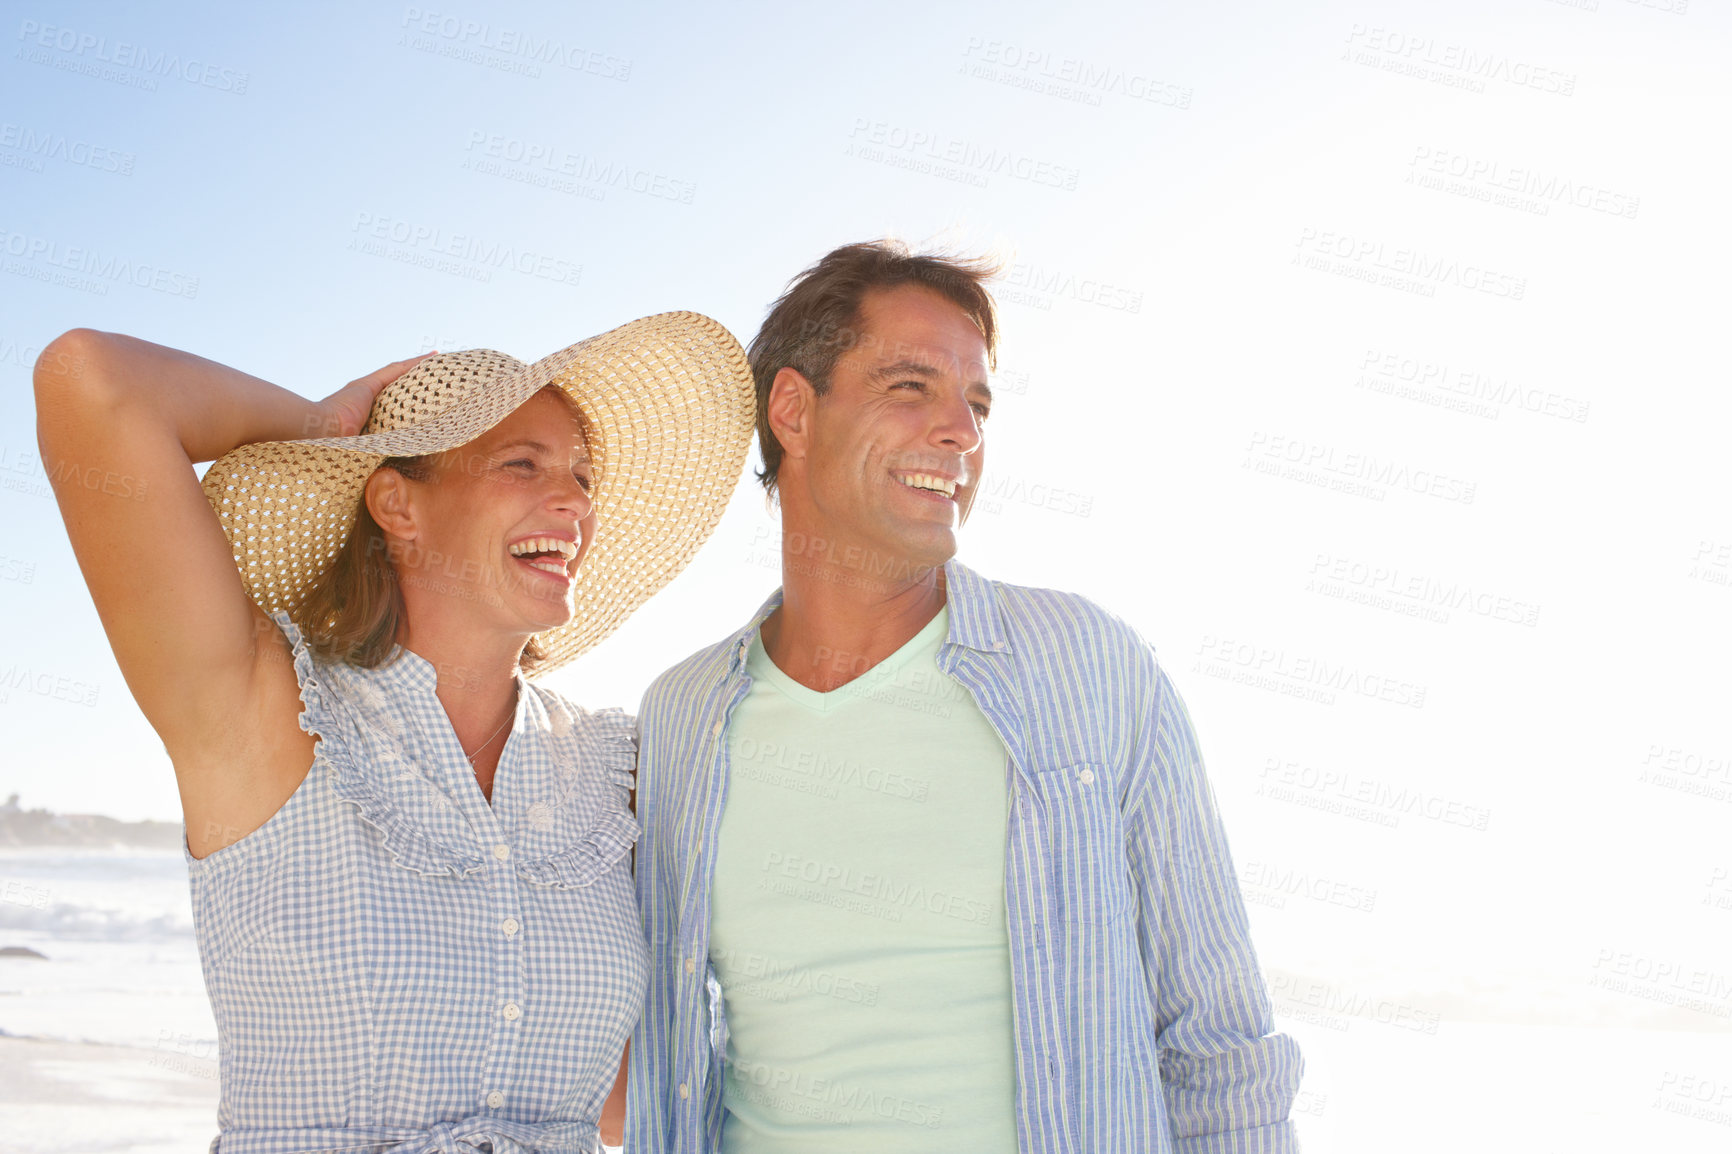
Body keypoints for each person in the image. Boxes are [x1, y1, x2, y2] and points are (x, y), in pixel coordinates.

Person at [627, 243, 1303, 1153]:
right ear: (792, 409)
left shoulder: (1088, 665)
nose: (962, 432)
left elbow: (1220, 1048)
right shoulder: (679, 719)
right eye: (911, 387)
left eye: (977, 404)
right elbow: (632, 1060)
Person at [33, 314, 756, 1154]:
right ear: (396, 503)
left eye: (583, 477)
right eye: (522, 463)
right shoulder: (265, 710)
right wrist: (326, 426)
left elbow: (637, 1105)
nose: (573, 502)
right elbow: (91, 380)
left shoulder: (617, 770)